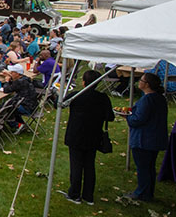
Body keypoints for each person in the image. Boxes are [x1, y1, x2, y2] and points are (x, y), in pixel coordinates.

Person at [56, 70, 114, 205]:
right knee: (89, 165)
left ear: (83, 82)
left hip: (77, 135)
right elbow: (110, 117)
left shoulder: (77, 96)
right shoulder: (103, 98)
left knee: (76, 165)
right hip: (93, 135)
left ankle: (75, 194)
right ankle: (88, 196)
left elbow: (59, 104)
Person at [122, 73, 168, 201]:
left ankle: (141, 192)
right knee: (149, 167)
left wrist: (128, 117)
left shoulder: (148, 100)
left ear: (147, 84)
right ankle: (148, 192)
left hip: (144, 139)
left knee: (143, 167)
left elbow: (138, 119)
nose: (139, 82)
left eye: (141, 80)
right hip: (155, 138)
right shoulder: (159, 98)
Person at [1, 64, 38, 134]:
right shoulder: (25, 79)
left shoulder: (19, 82)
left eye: (12, 72)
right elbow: (15, 85)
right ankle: (20, 124)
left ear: (17, 74)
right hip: (33, 106)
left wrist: (7, 81)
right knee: (9, 106)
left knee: (4, 108)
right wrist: (11, 78)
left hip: (26, 108)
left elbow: (6, 90)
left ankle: (17, 125)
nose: (11, 73)